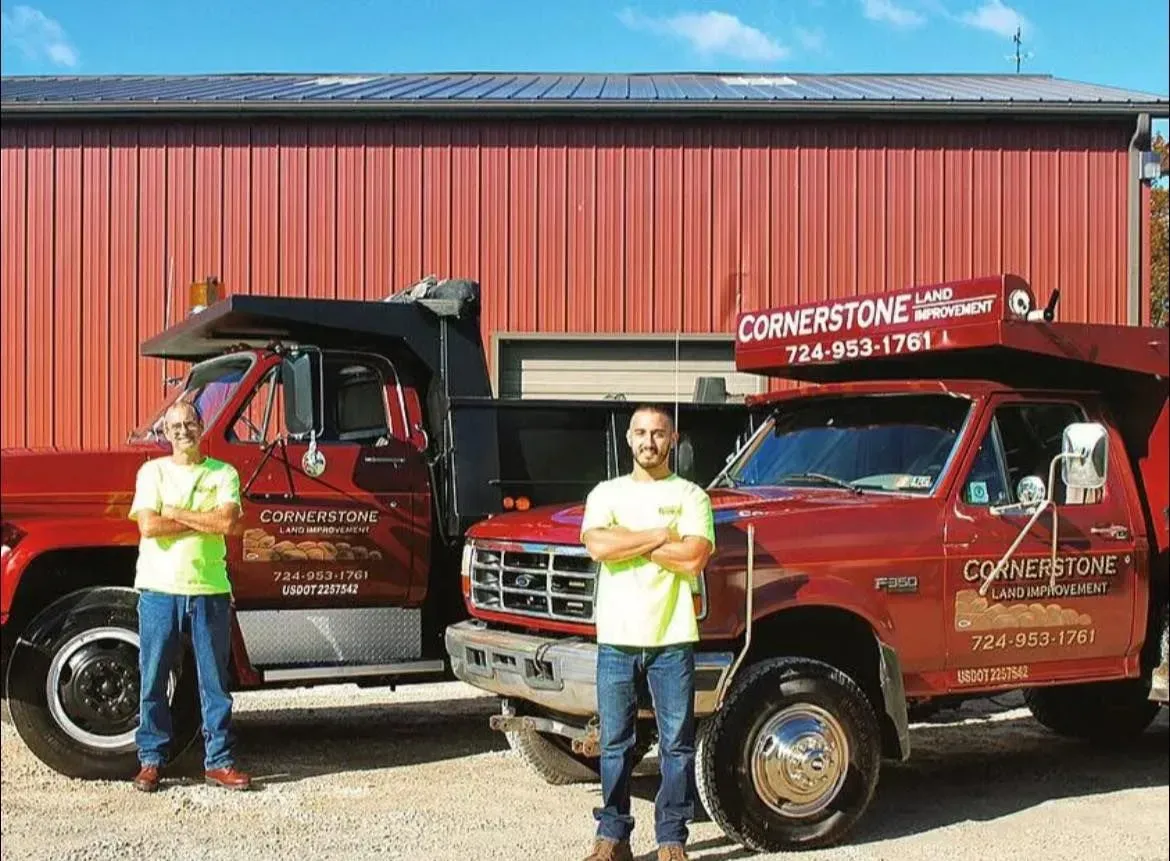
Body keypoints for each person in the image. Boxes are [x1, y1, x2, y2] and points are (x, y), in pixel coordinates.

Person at [579, 404, 715, 861]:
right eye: (640, 432)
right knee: (615, 743)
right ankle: (612, 835)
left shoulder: (693, 495)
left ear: (672, 439)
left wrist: (629, 543)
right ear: (628, 439)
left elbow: (694, 557)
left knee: (676, 745)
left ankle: (672, 838)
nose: (649, 441)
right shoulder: (605, 492)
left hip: (673, 638)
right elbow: (597, 545)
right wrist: (660, 535)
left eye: (658, 433)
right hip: (616, 638)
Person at [128, 400, 251, 792]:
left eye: (190, 423)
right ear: (165, 433)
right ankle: (151, 760)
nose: (183, 431)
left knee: (214, 683)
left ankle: (219, 761)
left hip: (209, 590)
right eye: (175, 426)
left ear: (202, 426)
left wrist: (176, 513)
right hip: (159, 589)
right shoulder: (152, 472)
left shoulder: (223, 473)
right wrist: (202, 519)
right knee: (153, 678)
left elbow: (229, 522)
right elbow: (149, 525)